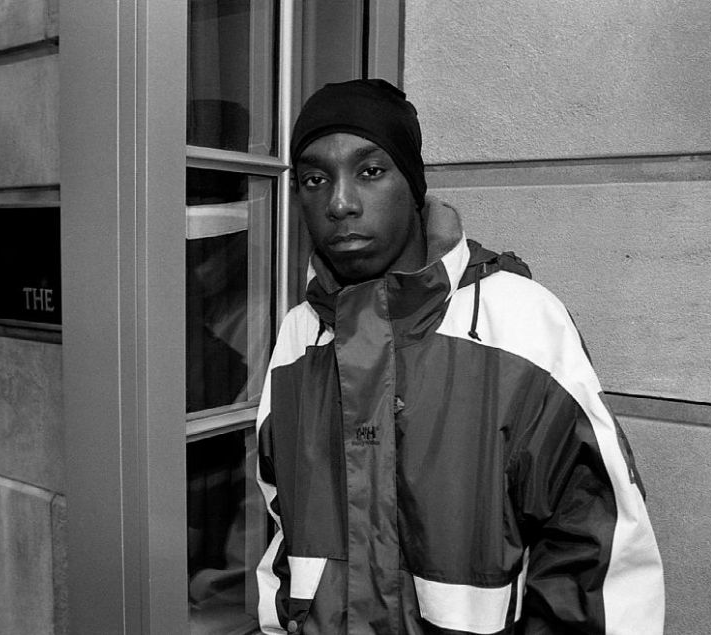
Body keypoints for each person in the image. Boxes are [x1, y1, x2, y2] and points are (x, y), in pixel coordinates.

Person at [255, 79, 664, 634]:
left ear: (413, 185)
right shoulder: (299, 336)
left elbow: (597, 552)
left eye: (370, 171)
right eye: (314, 179)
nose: (340, 203)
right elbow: (284, 529)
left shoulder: (519, 322)